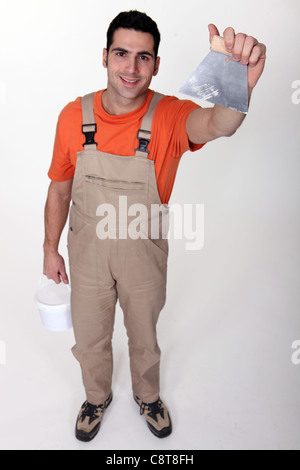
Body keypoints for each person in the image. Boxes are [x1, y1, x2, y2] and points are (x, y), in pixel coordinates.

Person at [43, 10, 266, 442]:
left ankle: (147, 395)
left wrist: (240, 87)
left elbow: (219, 124)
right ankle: (96, 396)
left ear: (157, 64)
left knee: (143, 334)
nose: (131, 68)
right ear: (105, 56)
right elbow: (58, 190)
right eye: (122, 54)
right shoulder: (74, 116)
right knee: (90, 336)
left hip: (143, 252)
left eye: (144, 57)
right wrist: (50, 248)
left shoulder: (169, 115)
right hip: (86, 252)